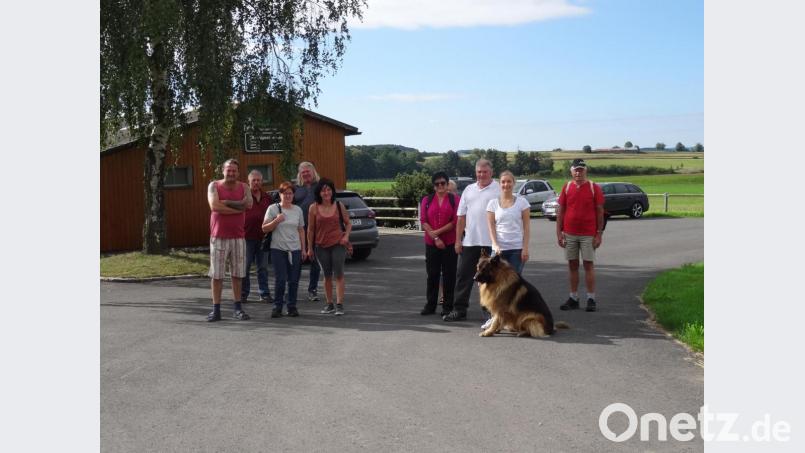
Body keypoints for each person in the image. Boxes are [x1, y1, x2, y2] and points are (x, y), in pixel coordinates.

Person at [443, 159, 501, 322]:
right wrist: (457, 241)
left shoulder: (498, 189)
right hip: (470, 241)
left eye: (485, 172)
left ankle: (489, 312)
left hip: (490, 243)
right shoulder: (469, 190)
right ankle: (459, 310)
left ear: (491, 173)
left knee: (489, 279)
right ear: (475, 172)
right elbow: (461, 217)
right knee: (463, 277)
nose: (482, 175)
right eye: (479, 172)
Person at [206, 158, 252, 322]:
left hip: (238, 237)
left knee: (237, 275)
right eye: (228, 170)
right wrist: (237, 208)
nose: (231, 173)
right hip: (218, 237)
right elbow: (215, 207)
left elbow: (249, 204)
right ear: (223, 170)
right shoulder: (214, 185)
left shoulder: (244, 186)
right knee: (217, 275)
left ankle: (238, 309)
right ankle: (216, 310)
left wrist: (227, 203)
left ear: (238, 172)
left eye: (234, 170)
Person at [556, 158, 605, 312]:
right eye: (576, 169)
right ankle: (573, 298)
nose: (578, 172)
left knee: (588, 265)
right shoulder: (567, 187)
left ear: (586, 171)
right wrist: (559, 232)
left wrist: (599, 234)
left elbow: (600, 212)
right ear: (571, 171)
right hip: (569, 233)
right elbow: (561, 211)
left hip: (588, 234)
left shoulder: (593, 188)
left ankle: (591, 298)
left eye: (581, 169)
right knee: (572, 265)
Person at [306, 178, 352, 316]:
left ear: (332, 191)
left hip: (338, 244)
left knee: (338, 273)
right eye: (323, 190)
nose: (326, 192)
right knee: (326, 275)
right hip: (321, 246)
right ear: (319, 193)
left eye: (328, 189)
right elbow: (310, 230)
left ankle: (339, 305)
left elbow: (348, 223)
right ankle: (329, 304)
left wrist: (346, 236)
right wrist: (309, 248)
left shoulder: (339, 205)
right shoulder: (313, 208)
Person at [262, 181, 306, 318]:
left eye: (290, 193)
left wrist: (304, 249)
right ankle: (277, 307)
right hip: (278, 249)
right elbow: (264, 228)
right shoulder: (273, 208)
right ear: (280, 194)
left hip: (295, 250)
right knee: (280, 279)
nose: (288, 196)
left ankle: (292, 306)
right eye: (285, 193)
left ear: (293, 195)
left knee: (293, 280)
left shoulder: (297, 210)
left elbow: (301, 230)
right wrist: (276, 221)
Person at [419, 171, 459, 316]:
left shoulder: (455, 200)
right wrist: (435, 237)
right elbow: (423, 221)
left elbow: (455, 221)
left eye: (443, 183)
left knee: (449, 275)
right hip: (431, 243)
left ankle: (447, 307)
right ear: (434, 186)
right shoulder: (426, 200)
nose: (440, 186)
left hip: (449, 242)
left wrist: (438, 233)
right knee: (433, 274)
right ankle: (430, 305)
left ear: (448, 184)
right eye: (437, 184)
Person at [486, 170, 530, 274]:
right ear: (500, 184)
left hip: (517, 249)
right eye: (503, 182)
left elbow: (527, 228)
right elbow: (491, 227)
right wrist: (495, 245)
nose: (506, 184)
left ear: (514, 183)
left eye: (509, 181)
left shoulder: (522, 203)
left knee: (514, 282)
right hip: (498, 250)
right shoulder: (492, 204)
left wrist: (525, 248)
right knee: (494, 281)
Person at [241, 169, 272, 304]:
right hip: (246, 237)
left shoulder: (267, 198)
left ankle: (264, 293)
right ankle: (243, 294)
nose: (256, 182)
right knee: (245, 267)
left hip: (263, 238)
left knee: (263, 268)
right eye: (253, 180)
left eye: (259, 180)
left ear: (262, 182)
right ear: (248, 182)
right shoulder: (243, 196)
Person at [293, 161, 321, 302]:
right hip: (298, 229)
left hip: (317, 228)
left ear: (313, 172)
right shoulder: (295, 188)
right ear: (300, 174)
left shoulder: (320, 187)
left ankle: (313, 290)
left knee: (315, 261)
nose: (305, 174)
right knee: (297, 260)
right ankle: (293, 290)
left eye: (307, 171)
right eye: (302, 172)